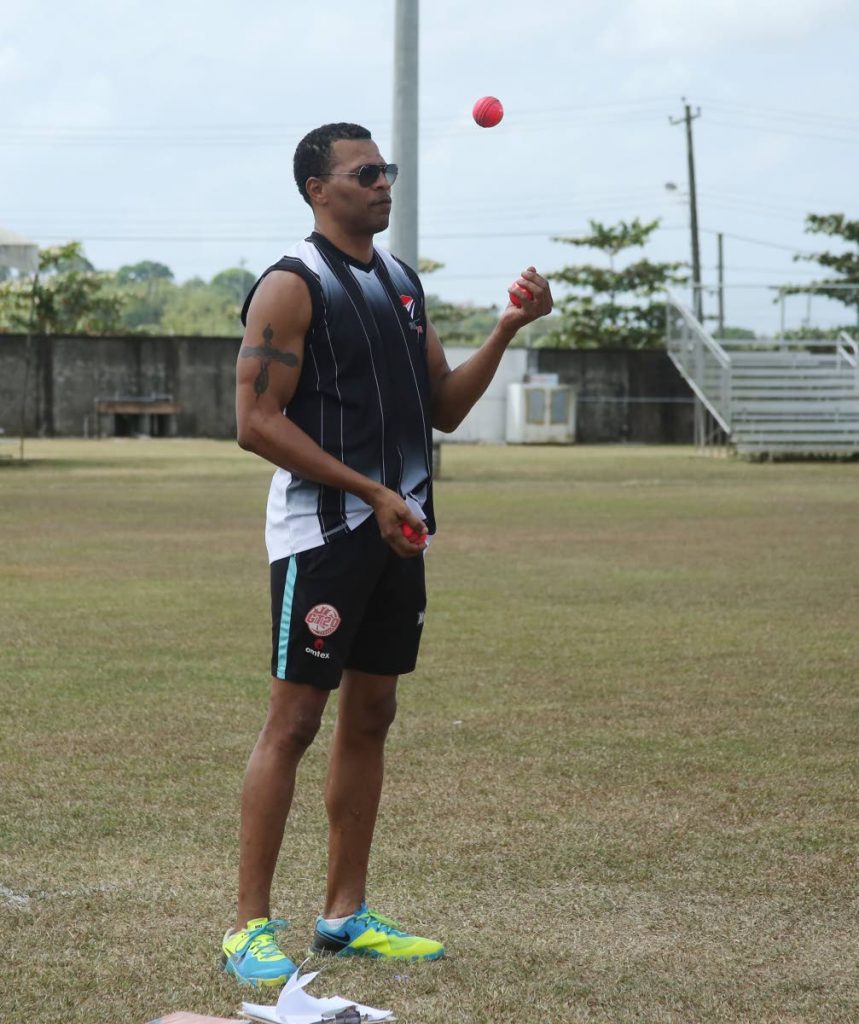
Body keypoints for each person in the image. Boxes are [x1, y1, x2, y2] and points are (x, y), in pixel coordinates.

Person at [222, 122, 553, 988]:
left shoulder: (401, 283)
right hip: (324, 533)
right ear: (315, 189)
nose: (382, 183)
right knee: (293, 724)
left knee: (371, 719)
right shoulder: (292, 287)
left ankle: (343, 916)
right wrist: (369, 492)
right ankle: (247, 929)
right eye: (364, 172)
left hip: (397, 530)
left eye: (387, 170)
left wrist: (508, 327)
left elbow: (443, 407)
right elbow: (256, 423)